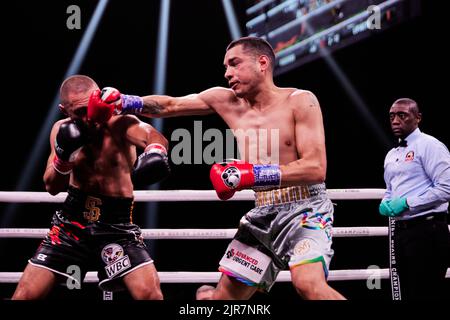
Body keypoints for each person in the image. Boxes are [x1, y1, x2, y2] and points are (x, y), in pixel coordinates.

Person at [87, 37, 345, 300]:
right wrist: (124, 102)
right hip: (263, 213)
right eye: (225, 67)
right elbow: (170, 105)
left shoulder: (300, 100)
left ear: (262, 63)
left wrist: (252, 175)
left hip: (306, 210)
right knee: (224, 300)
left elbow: (315, 168)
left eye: (234, 64)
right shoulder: (225, 100)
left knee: (308, 285)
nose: (227, 73)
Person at [12, 75, 170, 300]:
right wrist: (64, 158)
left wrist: (155, 151)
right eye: (79, 112)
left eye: (90, 107)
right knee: (24, 295)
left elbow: (153, 135)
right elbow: (51, 186)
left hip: (116, 226)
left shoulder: (121, 122)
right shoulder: (60, 130)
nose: (88, 117)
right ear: (64, 110)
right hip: (70, 226)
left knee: (150, 295)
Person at [379, 98, 450, 300]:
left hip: (428, 231)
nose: (395, 120)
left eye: (402, 115)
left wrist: (408, 203)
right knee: (408, 293)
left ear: (417, 118)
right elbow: (391, 189)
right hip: (402, 234)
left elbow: (446, 188)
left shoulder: (431, 146)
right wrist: (385, 202)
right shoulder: (391, 155)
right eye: (392, 116)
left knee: (425, 293)